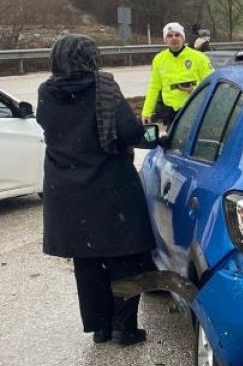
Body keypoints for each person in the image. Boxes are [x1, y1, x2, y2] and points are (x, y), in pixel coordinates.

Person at [36, 34, 156, 347]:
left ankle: (99, 327)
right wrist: (151, 136)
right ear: (91, 58)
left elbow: (49, 127)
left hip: (66, 188)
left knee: (87, 260)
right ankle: (124, 327)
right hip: (110, 185)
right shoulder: (103, 87)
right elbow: (129, 131)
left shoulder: (47, 92)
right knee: (126, 257)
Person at [141, 22, 213, 125]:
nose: (174, 38)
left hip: (192, 109)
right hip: (169, 112)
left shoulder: (199, 57)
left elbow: (211, 83)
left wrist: (193, 90)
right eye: (170, 36)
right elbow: (154, 87)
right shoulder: (159, 59)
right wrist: (147, 112)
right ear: (165, 39)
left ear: (183, 38)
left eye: (177, 35)